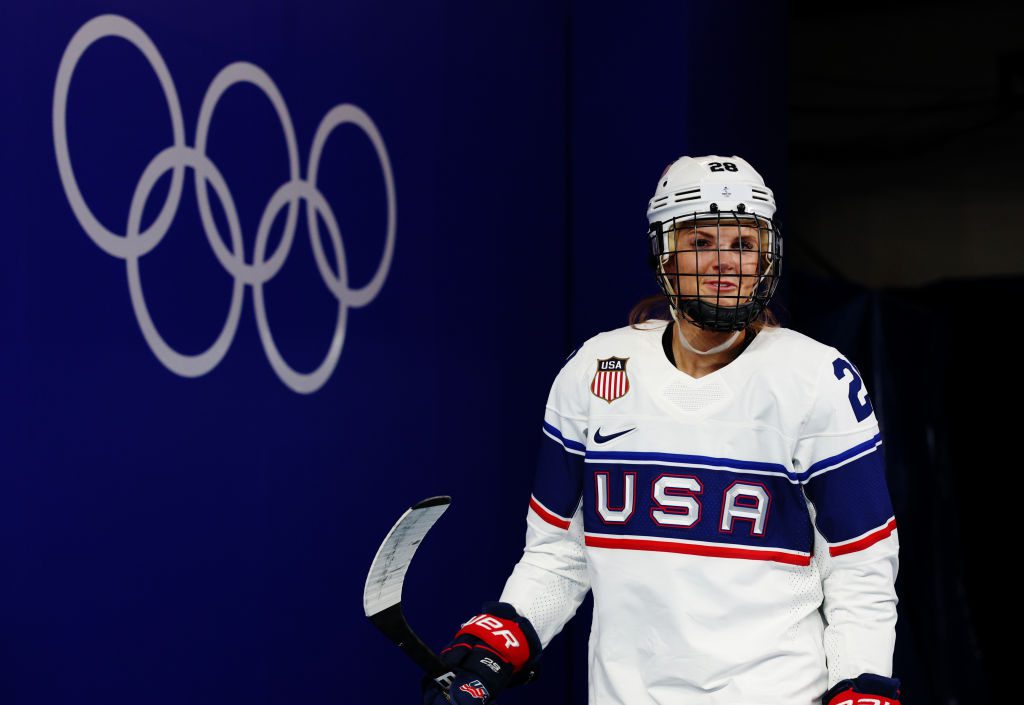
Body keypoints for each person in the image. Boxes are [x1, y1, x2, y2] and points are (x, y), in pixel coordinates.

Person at [423, 156, 901, 704]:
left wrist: (861, 683)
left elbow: (860, 568)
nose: (724, 263)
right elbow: (560, 552)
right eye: (701, 242)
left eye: (743, 244)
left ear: (768, 255)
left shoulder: (817, 380)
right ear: (665, 253)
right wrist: (499, 643)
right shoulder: (594, 370)